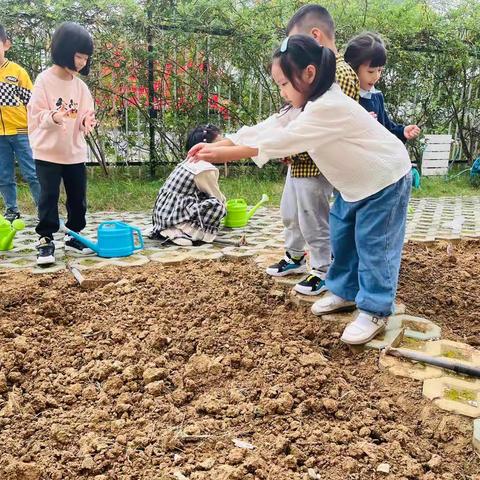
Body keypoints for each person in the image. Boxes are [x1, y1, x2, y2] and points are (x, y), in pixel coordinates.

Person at [188, 35, 412, 346]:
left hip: (384, 179)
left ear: (308, 74)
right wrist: (222, 143)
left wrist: (226, 154)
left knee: (375, 245)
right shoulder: (307, 105)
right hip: (354, 186)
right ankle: (345, 292)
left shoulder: (329, 105)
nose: (282, 91)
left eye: (283, 84)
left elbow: (283, 142)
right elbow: (270, 127)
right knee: (343, 237)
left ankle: (375, 308)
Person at [266, 4, 360, 297]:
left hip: (318, 164)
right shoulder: (316, 73)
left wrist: (289, 141)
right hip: (299, 160)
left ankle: (323, 269)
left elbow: (319, 121)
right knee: (291, 213)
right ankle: (294, 257)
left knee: (314, 218)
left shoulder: (340, 73)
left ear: (315, 37)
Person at [28, 22, 96, 265]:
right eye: (79, 56)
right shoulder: (44, 81)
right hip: (47, 153)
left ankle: (74, 234)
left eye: (86, 58)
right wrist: (53, 117)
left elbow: (87, 113)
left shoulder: (80, 86)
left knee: (78, 198)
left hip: (74, 152)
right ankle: (45, 239)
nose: (82, 62)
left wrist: (87, 121)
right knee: (48, 196)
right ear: (64, 50)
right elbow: (36, 116)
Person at [151, 124, 226, 246]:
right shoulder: (203, 168)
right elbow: (215, 196)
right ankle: (181, 231)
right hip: (174, 216)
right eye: (218, 145)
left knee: (205, 199)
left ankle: (170, 229)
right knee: (217, 206)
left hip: (163, 214)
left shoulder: (190, 161)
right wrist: (225, 209)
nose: (223, 149)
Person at [344, 32, 420, 142]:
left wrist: (402, 131)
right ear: (353, 68)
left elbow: (386, 128)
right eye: (370, 71)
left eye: (380, 70)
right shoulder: (345, 95)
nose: (376, 76)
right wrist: (360, 124)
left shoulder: (376, 96)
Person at [0, 24, 40, 222]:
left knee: (32, 173)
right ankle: (11, 210)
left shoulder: (17, 72)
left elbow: (31, 103)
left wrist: (34, 128)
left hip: (22, 132)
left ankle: (44, 210)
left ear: (6, 45)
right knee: (3, 175)